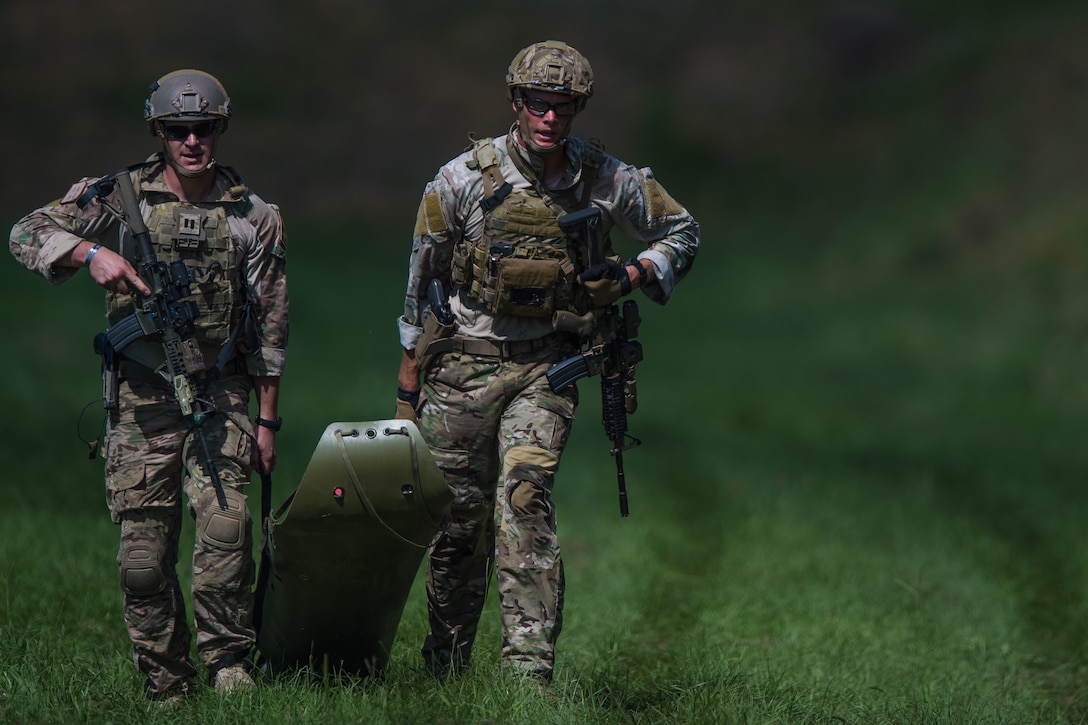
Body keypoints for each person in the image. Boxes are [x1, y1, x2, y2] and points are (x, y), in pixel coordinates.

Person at [395, 40, 699, 684]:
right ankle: (445, 661)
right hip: (462, 368)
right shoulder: (461, 180)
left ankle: (527, 674)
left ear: (577, 109)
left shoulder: (604, 177)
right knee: (457, 523)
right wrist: (408, 375)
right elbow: (422, 277)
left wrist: (633, 272)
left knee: (524, 500)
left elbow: (683, 231)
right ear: (515, 103)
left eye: (563, 106)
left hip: (547, 369)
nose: (549, 118)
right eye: (537, 104)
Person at [9, 69, 289, 701]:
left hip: (220, 394)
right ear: (159, 134)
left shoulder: (254, 216)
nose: (192, 141)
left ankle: (228, 666)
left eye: (203, 129)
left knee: (225, 532)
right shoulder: (119, 196)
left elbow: (270, 326)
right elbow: (25, 233)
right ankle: (165, 682)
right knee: (142, 560)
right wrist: (90, 255)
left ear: (219, 130)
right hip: (140, 400)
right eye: (177, 131)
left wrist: (268, 422)